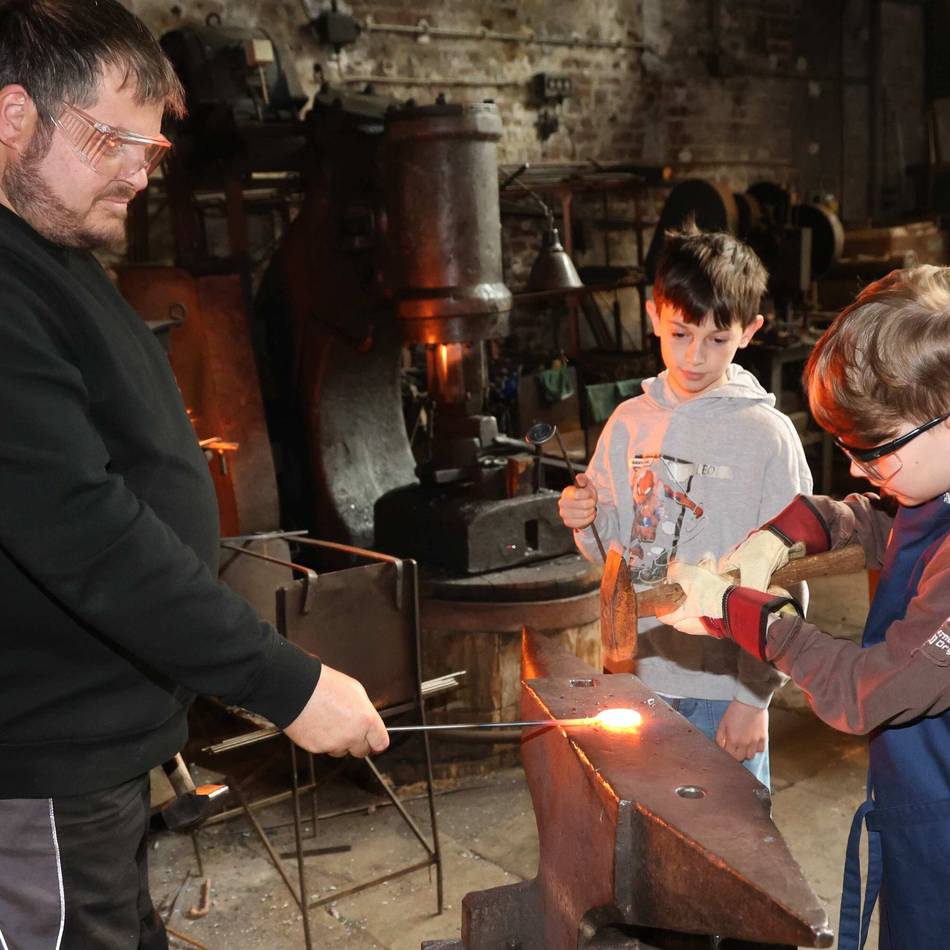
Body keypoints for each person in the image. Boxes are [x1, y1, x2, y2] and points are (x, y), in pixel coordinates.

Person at [0, 2, 388, 947]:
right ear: (13, 119)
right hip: (44, 766)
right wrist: (284, 683)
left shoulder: (53, 252)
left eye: (153, 149)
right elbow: (86, 532)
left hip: (100, 755)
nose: (139, 171)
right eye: (112, 142)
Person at [658, 264, 950, 950]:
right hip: (917, 802)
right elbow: (877, 518)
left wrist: (749, 615)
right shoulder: (931, 487)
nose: (855, 467)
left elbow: (864, 690)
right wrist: (781, 533)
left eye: (873, 451)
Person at [558, 223, 812, 787]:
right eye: (679, 334)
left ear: (749, 331)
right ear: (654, 318)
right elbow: (613, 553)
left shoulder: (767, 437)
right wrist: (587, 517)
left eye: (717, 339)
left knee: (733, 851)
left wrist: (754, 697)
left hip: (723, 695)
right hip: (639, 679)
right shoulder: (629, 423)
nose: (695, 356)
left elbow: (787, 579)